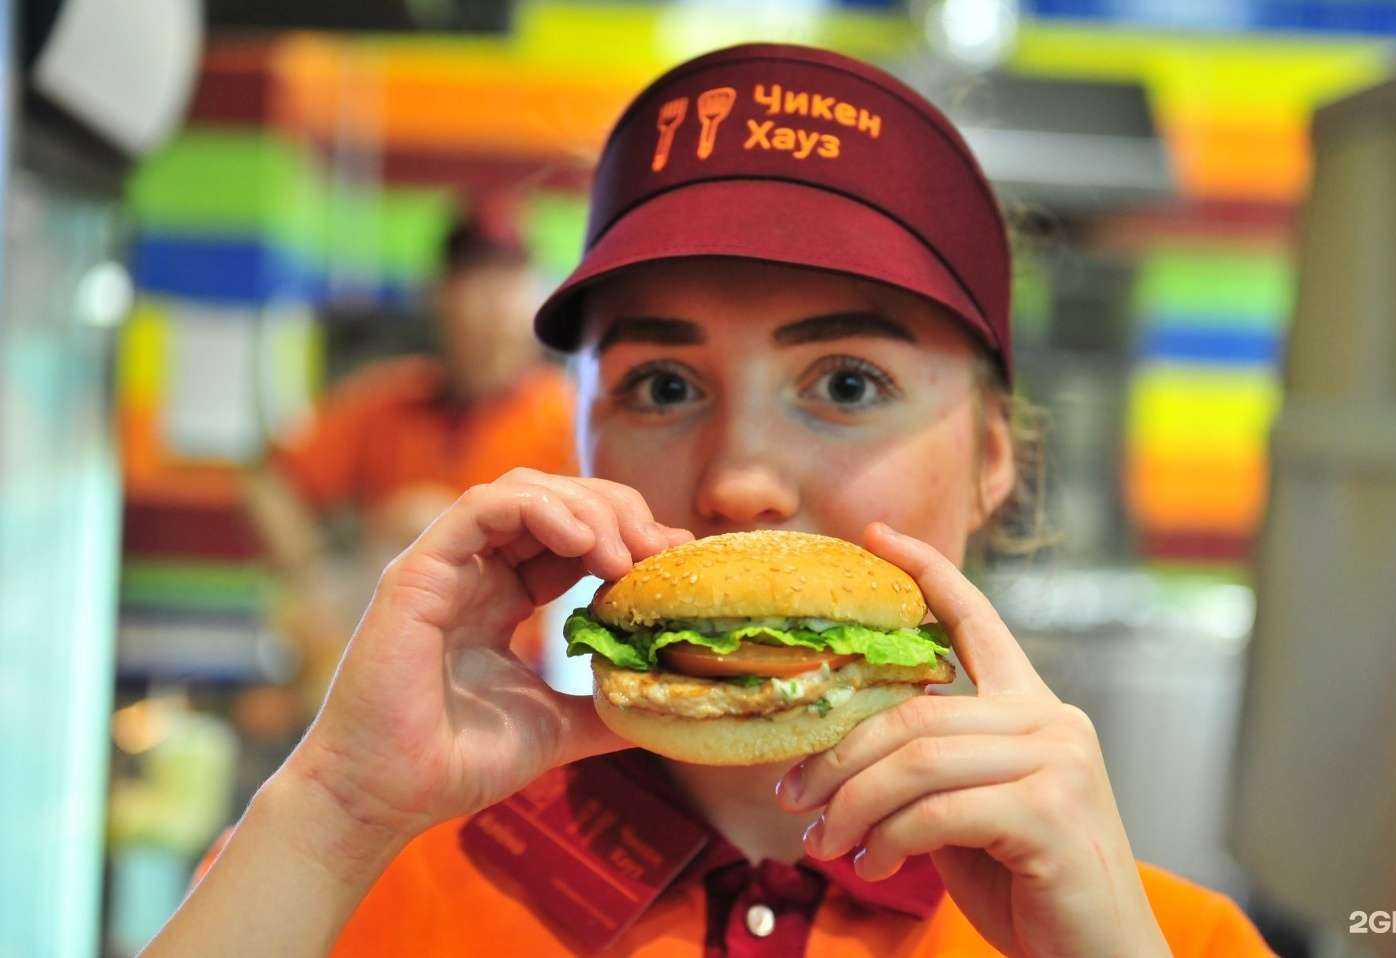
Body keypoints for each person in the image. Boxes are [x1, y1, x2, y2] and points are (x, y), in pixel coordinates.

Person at [148, 44, 1275, 956]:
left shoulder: (1165, 936)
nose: (738, 477)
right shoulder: (341, 884)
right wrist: (336, 810)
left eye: (846, 383)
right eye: (665, 384)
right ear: (581, 433)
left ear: (993, 456)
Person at [247, 210, 574, 692]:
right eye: (476, 283)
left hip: (515, 679)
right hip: (384, 668)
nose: (492, 306)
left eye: (508, 284)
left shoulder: (565, 416)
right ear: (440, 295)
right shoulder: (388, 401)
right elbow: (269, 481)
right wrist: (313, 574)